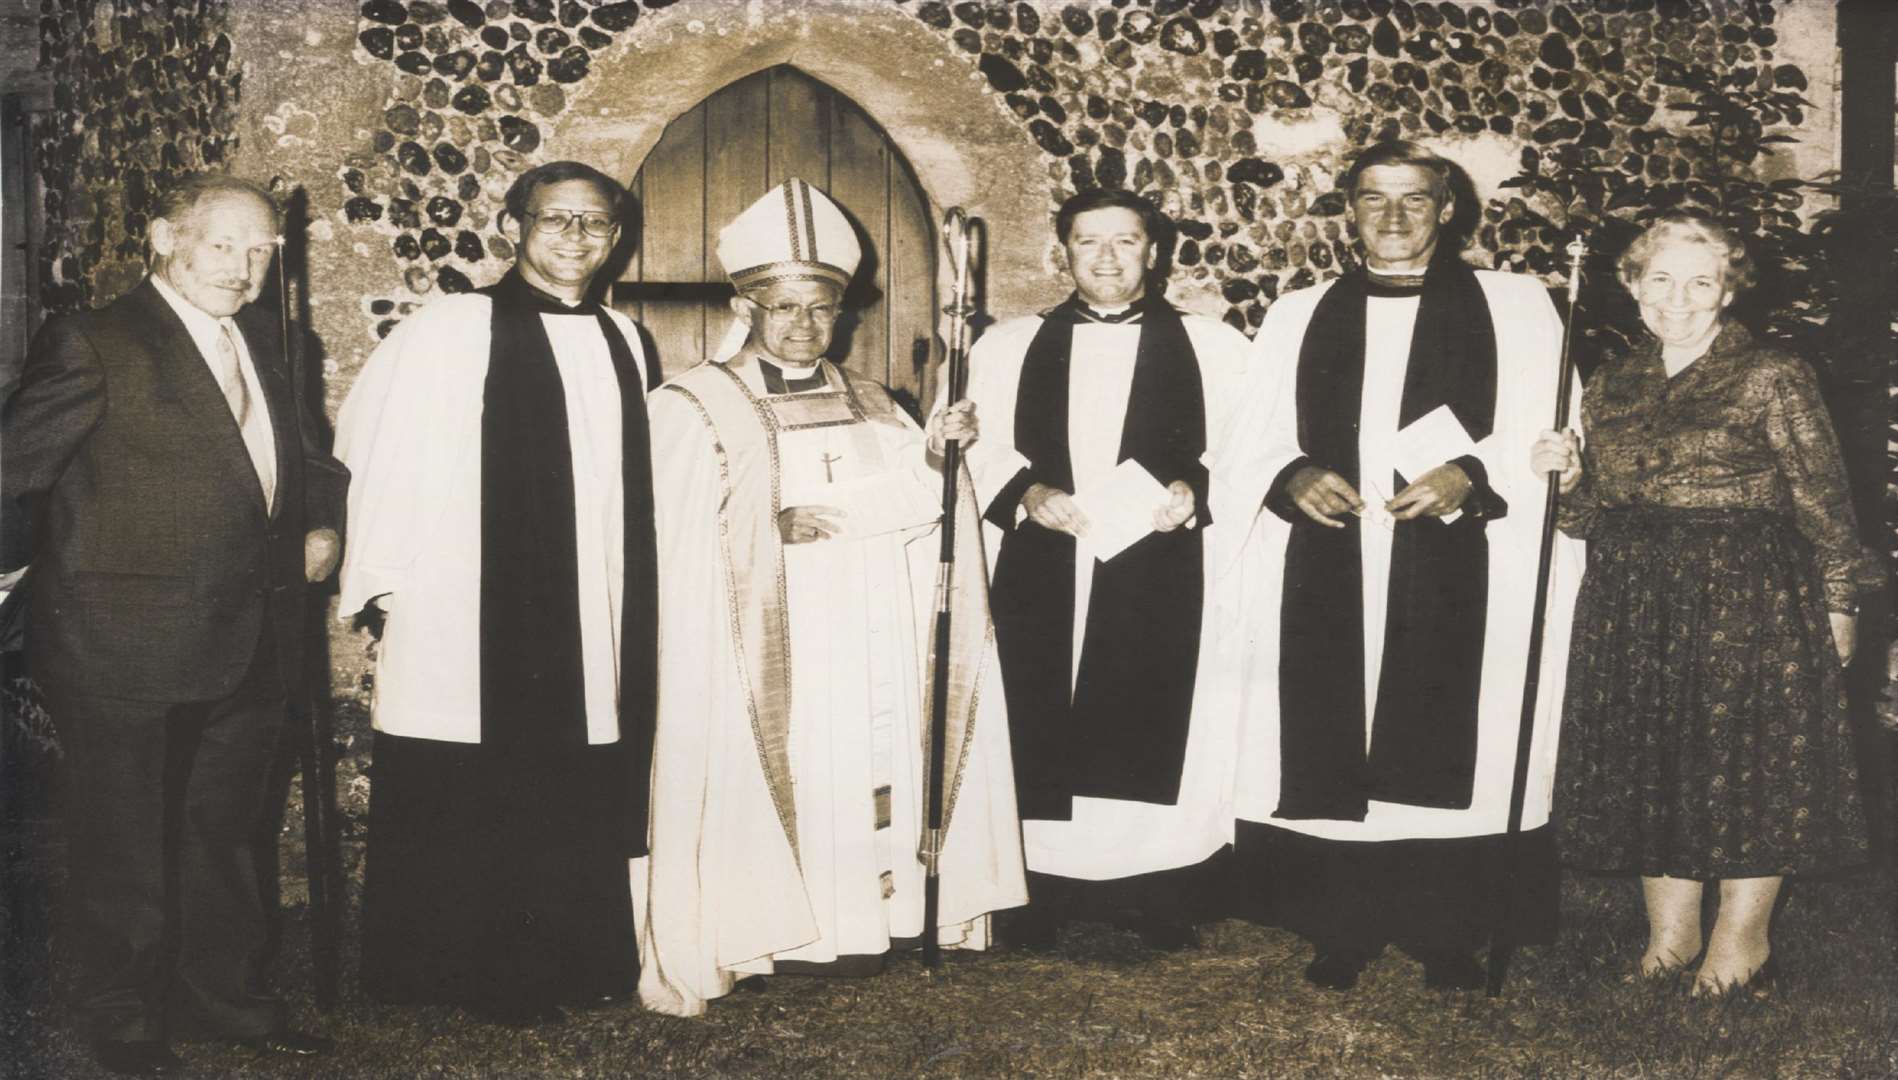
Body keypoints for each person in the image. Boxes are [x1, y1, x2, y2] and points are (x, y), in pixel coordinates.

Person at [639, 178, 1026, 1016]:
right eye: (783, 307)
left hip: (872, 634)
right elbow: (666, 549)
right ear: (746, 305)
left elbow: (930, 519)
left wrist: (937, 458)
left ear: (842, 315)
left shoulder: (875, 400)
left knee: (869, 764)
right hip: (762, 645)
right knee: (798, 766)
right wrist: (762, 525)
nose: (804, 326)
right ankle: (777, 931)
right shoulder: (691, 409)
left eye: (821, 309)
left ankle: (870, 922)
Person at [0, 172, 347, 1075]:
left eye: (261, 252)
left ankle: (221, 1000)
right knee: (123, 843)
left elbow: (312, 460)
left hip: (253, 636)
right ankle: (120, 1020)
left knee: (221, 834)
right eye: (224, 245)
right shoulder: (94, 340)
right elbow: (12, 475)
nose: (243, 268)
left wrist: (321, 524)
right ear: (165, 237)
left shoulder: (277, 345)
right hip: (123, 641)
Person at [1222, 140, 1582, 991]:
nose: (1392, 217)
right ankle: (1341, 925)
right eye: (1373, 198)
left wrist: (1471, 474)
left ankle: (1449, 930)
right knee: (1332, 722)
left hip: (1465, 549)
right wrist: (1292, 474)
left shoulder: (1517, 305)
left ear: (1447, 207)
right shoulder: (1300, 313)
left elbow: (1558, 423)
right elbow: (1250, 434)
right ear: (1348, 209)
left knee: (1461, 730)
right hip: (1334, 553)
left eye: (1413, 199)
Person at [333, 161, 658, 1026]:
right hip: (464, 595)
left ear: (616, 239)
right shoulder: (452, 326)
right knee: (470, 765)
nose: (576, 238)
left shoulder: (626, 339)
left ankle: (574, 959)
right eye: (556, 219)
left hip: (587, 598)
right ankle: (451, 966)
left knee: (572, 764)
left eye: (596, 224)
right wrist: (387, 577)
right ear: (514, 226)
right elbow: (379, 448)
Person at [1531, 213, 1873, 995]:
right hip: (1633, 594)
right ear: (1632, 286)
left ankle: (1740, 941)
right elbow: (1588, 518)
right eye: (1660, 279)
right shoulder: (1613, 381)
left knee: (1750, 766)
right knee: (1652, 759)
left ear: (1728, 291)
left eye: (1700, 282)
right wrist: (1570, 479)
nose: (1677, 300)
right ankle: (1670, 936)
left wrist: (1841, 602)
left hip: (1747, 592)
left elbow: (1824, 500)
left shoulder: (1773, 373)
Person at [955, 188, 1250, 949]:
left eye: (1126, 241)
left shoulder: (1214, 347)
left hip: (1162, 558)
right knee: (1034, 706)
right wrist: (1029, 491)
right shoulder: (1007, 347)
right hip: (1045, 556)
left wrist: (1196, 488)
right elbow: (975, 445)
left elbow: (1251, 445)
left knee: (1151, 701)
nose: (1109, 258)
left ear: (1155, 251)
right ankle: (1037, 891)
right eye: (1090, 242)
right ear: (1065, 251)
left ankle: (1153, 891)